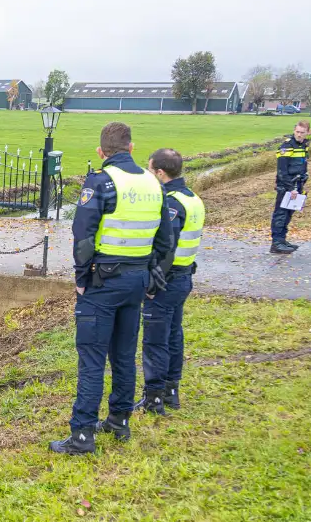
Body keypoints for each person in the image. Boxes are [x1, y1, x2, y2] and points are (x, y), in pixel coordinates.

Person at [50, 122, 173, 455]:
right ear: (132, 148)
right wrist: (153, 278)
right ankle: (119, 420)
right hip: (136, 282)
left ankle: (82, 435)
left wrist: (80, 278)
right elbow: (166, 240)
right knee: (123, 354)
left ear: (101, 152)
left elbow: (83, 236)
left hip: (103, 281)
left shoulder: (101, 182)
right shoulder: (154, 184)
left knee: (91, 358)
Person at [140, 148, 203, 415]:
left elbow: (167, 247)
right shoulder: (193, 199)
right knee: (174, 335)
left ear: (160, 172)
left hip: (168, 281)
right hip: (184, 276)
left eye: (150, 168)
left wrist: (154, 284)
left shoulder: (172, 203)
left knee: (155, 340)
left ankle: (154, 398)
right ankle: (171, 390)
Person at [270, 121, 310, 254]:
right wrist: (290, 188)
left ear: (307, 133)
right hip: (287, 185)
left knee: (288, 214)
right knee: (281, 214)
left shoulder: (304, 145)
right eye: (297, 132)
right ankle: (276, 243)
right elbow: (282, 170)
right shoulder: (287, 146)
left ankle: (282, 240)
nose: (299, 135)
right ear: (294, 131)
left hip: (297, 184)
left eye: (302, 132)